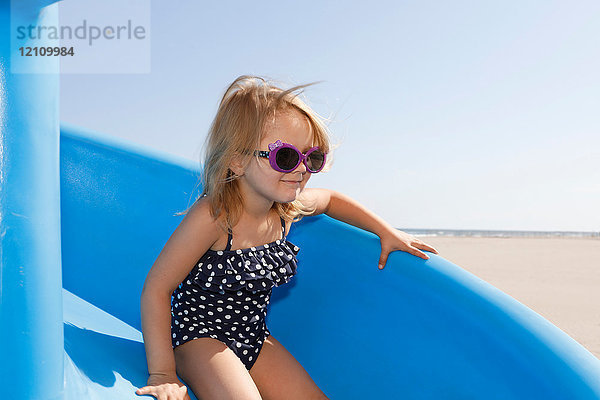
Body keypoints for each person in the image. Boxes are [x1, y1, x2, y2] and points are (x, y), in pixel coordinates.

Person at [136, 75, 439, 400]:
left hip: (252, 335)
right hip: (199, 337)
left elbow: (332, 200)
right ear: (237, 159)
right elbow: (157, 287)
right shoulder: (215, 216)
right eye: (285, 157)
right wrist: (163, 372)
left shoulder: (287, 209)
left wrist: (385, 231)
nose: (300, 170)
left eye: (312, 157)